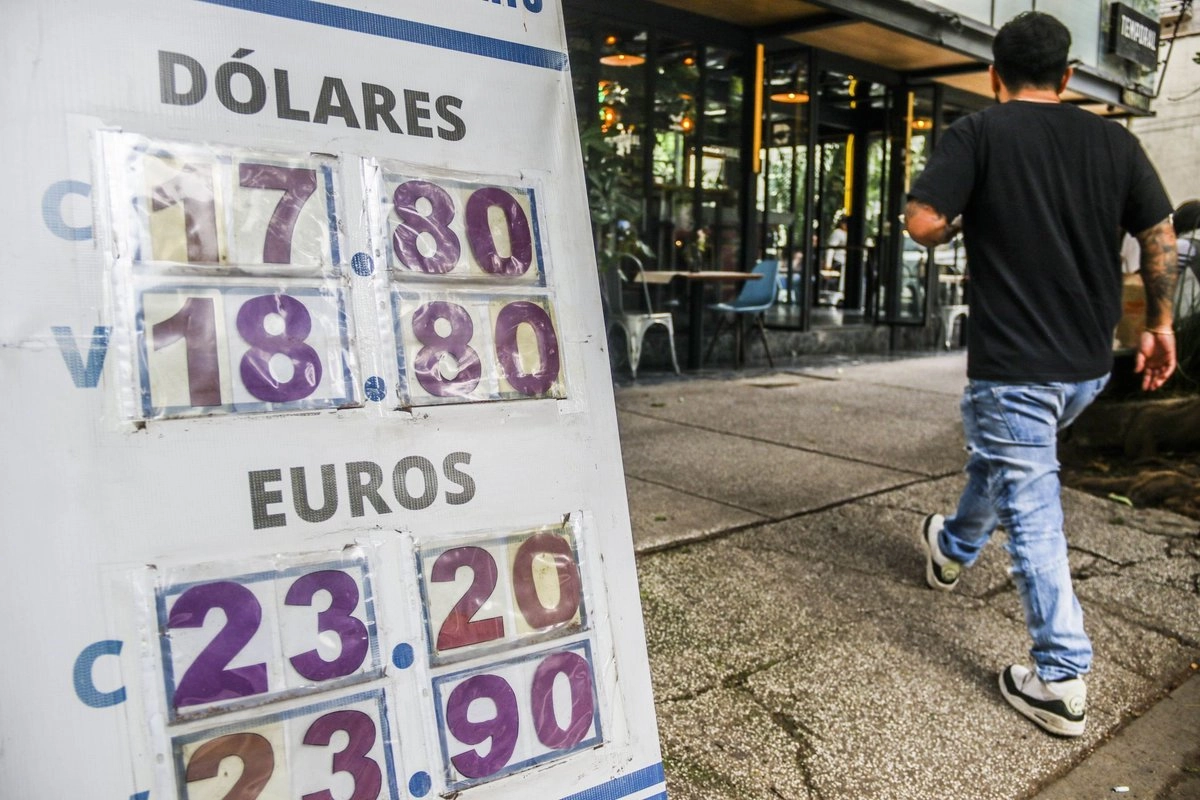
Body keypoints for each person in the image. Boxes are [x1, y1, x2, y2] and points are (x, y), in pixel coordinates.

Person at [905, 11, 1178, 738]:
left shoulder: (979, 134)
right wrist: (1159, 324)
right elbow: (1161, 239)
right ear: (1067, 77)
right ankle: (953, 546)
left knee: (1033, 512)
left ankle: (1060, 677)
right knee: (1008, 462)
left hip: (1016, 363)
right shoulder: (1115, 142)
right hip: (1085, 366)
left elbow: (923, 221)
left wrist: (963, 218)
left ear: (994, 75)